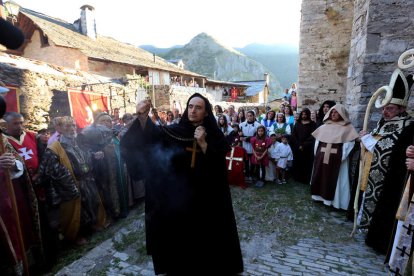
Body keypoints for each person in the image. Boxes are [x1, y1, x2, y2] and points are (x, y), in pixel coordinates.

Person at [120, 93, 243, 275]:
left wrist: (202, 143)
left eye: (198, 107)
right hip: (180, 195)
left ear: (206, 113)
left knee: (206, 237)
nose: (193, 110)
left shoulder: (214, 135)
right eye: (190, 106)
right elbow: (152, 139)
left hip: (205, 196)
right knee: (180, 236)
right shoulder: (174, 131)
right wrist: (143, 118)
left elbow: (218, 168)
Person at [357, 69, 414, 254]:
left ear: (401, 109)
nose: (384, 112)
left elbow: (389, 148)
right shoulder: (383, 123)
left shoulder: (407, 126)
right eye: (383, 108)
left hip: (391, 178)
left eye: (389, 108)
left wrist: (367, 140)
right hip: (372, 173)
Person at [36, 116, 106, 246]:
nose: (71, 128)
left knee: (91, 203)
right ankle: (77, 234)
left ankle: (92, 226)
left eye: (73, 125)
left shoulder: (78, 142)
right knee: (76, 211)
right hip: (70, 185)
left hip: (87, 180)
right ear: (60, 129)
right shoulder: (54, 148)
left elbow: (86, 155)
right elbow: (50, 169)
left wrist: (94, 156)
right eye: (67, 126)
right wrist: (69, 180)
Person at [310, 104, 358, 209]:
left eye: (336, 112)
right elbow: (318, 143)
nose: (333, 114)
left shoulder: (348, 128)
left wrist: (341, 157)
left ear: (342, 114)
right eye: (332, 112)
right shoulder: (323, 127)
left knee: (337, 179)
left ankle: (334, 202)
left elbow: (349, 144)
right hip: (321, 159)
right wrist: (317, 155)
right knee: (319, 176)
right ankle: (318, 197)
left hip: (338, 161)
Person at [3, 112, 39, 181]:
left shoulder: (32, 136)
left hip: (37, 178)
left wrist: (40, 173)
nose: (19, 126)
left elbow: (41, 155)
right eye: (15, 123)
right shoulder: (2, 141)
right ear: (6, 125)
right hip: (18, 181)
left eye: (21, 123)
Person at [291, 108, 317, 184]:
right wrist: (298, 145)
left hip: (307, 148)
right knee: (298, 162)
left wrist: (304, 145)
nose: (304, 116)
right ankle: (297, 177)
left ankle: (305, 178)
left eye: (305, 114)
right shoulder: (297, 123)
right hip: (298, 147)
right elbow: (294, 135)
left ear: (308, 115)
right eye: (302, 114)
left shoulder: (312, 124)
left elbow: (313, 136)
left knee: (307, 164)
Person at [239, 110, 262, 182]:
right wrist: (241, 137)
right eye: (248, 116)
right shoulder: (241, 124)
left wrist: (247, 139)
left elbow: (258, 136)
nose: (249, 117)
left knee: (253, 162)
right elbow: (239, 135)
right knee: (245, 161)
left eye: (251, 116)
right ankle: (247, 175)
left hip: (253, 146)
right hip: (244, 146)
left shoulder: (258, 125)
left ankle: (252, 175)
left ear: (254, 116)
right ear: (246, 116)